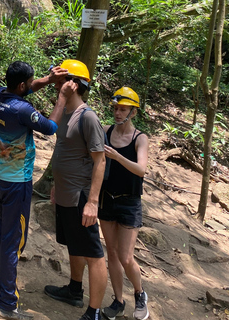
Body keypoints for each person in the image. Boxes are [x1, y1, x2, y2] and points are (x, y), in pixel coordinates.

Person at [0, 61, 69, 320]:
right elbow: (51, 127)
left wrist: (46, 79)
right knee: (13, 241)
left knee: (3, 231)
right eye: (30, 82)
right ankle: (8, 305)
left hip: (0, 176)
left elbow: (26, 90)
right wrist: (62, 98)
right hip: (17, 182)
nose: (33, 85)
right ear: (21, 85)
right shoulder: (23, 110)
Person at [43, 59, 107, 320]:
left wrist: (92, 202)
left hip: (82, 197)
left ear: (75, 84)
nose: (56, 82)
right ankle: (74, 290)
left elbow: (100, 160)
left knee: (93, 253)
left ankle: (94, 311)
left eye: (61, 79)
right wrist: (57, 187)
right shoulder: (65, 113)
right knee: (74, 245)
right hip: (66, 194)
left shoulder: (88, 117)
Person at [98, 87, 149, 320]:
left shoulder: (140, 138)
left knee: (126, 257)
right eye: (116, 109)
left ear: (133, 112)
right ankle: (118, 301)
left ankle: (140, 294)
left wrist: (117, 156)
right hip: (106, 199)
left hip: (129, 203)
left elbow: (141, 169)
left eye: (123, 110)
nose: (118, 113)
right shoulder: (106, 131)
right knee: (113, 254)